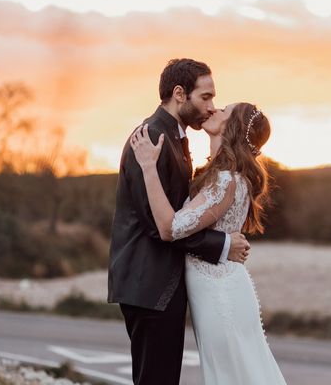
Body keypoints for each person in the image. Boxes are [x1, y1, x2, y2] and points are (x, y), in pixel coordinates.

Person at [107, 58, 251, 385]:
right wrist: (222, 244)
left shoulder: (175, 137)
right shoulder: (152, 138)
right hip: (148, 283)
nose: (211, 107)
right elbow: (159, 225)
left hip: (160, 284)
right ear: (180, 94)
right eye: (206, 97)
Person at [129, 101, 287, 384]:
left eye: (223, 110)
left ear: (232, 127)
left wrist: (148, 167)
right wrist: (224, 242)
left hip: (220, 295)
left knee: (231, 376)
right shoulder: (218, 175)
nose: (214, 110)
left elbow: (170, 227)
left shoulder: (226, 180)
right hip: (218, 290)